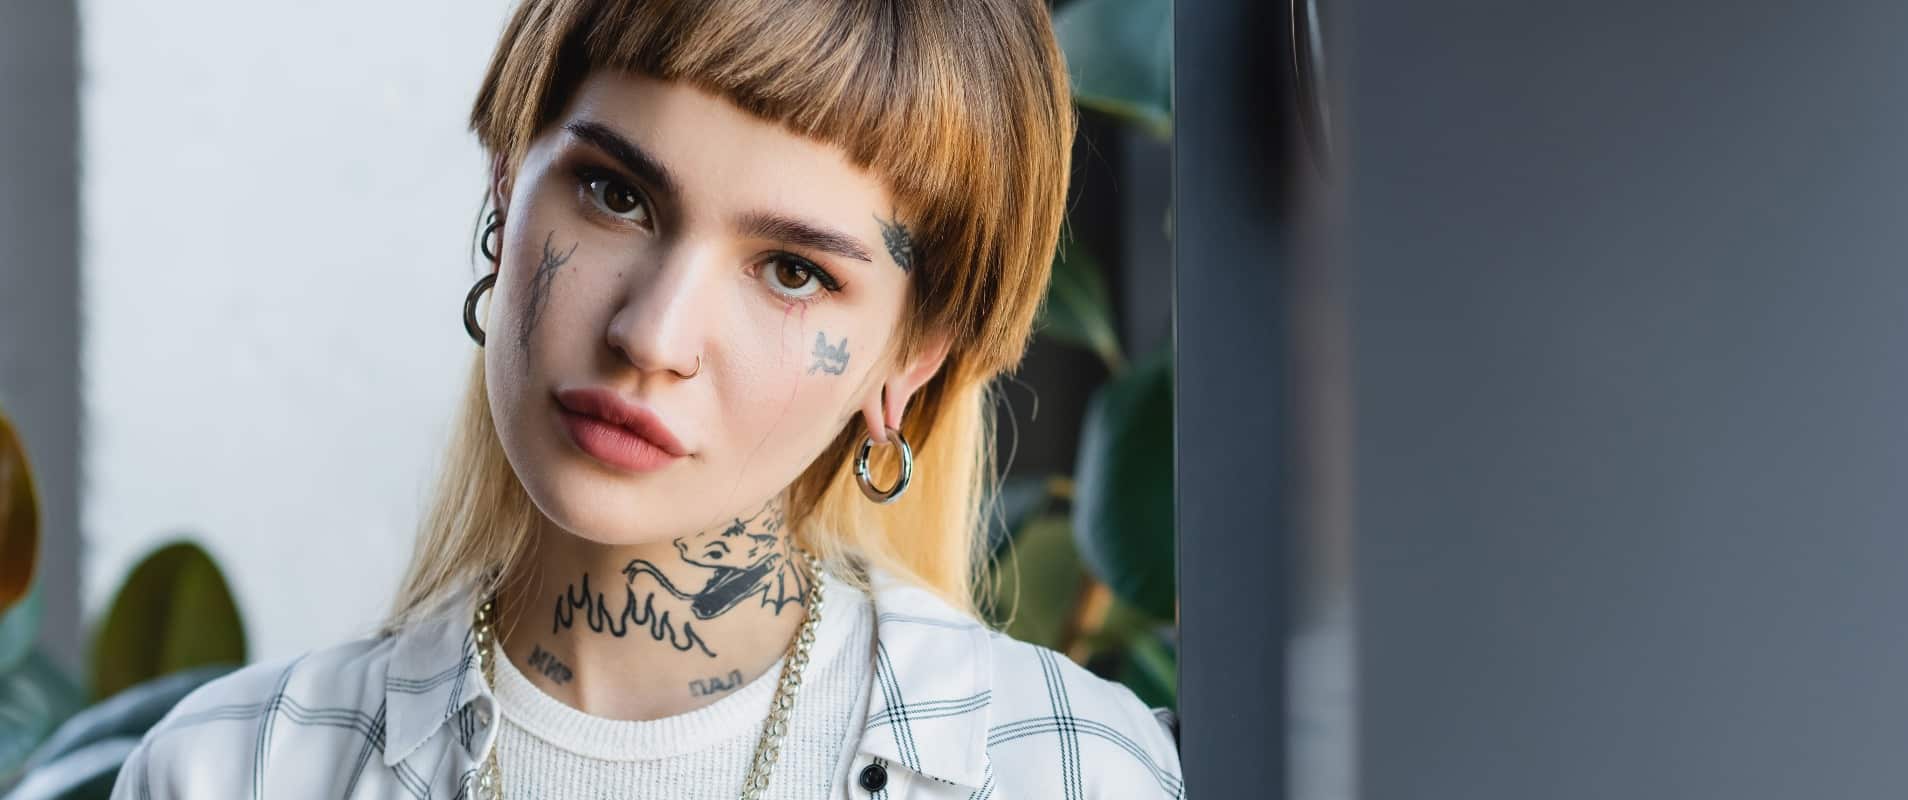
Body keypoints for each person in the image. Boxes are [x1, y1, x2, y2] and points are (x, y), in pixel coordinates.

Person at [111, 0, 1184, 797]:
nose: (651, 335)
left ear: (913, 360)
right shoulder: (230, 770)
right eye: (615, 195)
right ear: (505, 184)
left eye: (793, 271)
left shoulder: (1070, 770)